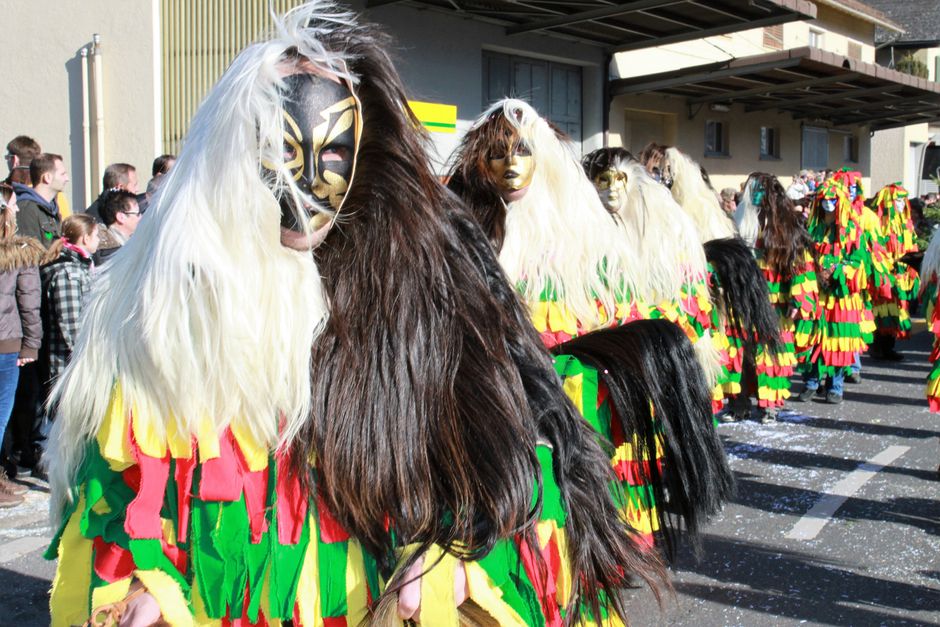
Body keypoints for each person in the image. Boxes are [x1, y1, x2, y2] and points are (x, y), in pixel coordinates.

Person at [45, 4, 665, 624]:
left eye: (333, 153)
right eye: (280, 151)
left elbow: (509, 440)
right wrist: (151, 575)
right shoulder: (166, 301)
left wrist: (455, 547)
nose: (307, 183)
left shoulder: (429, 273)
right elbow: (136, 477)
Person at [449, 101, 733, 555]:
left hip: (582, 397)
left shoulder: (588, 237)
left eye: (523, 150)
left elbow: (621, 310)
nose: (512, 164)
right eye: (498, 153)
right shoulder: (464, 228)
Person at [732, 173, 821, 422]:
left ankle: (769, 404)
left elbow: (801, 264)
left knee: (770, 353)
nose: (756, 196)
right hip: (744, 299)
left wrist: (799, 298)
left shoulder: (786, 227)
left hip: (775, 303)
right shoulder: (740, 221)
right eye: (754, 191)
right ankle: (739, 402)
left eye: (761, 191)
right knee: (741, 351)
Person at [0, 183, 43, 503]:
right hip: (6, 343)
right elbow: (28, 299)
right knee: (2, 416)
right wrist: (31, 343)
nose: (16, 211)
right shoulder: (18, 252)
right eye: (12, 206)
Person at [15, 153, 66, 247]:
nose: (67, 179)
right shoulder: (26, 210)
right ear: (47, 178)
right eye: (62, 174)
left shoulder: (51, 209)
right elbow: (28, 255)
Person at [94, 189, 141, 264]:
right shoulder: (107, 253)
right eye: (137, 214)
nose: (141, 217)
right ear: (121, 217)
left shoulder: (131, 243)